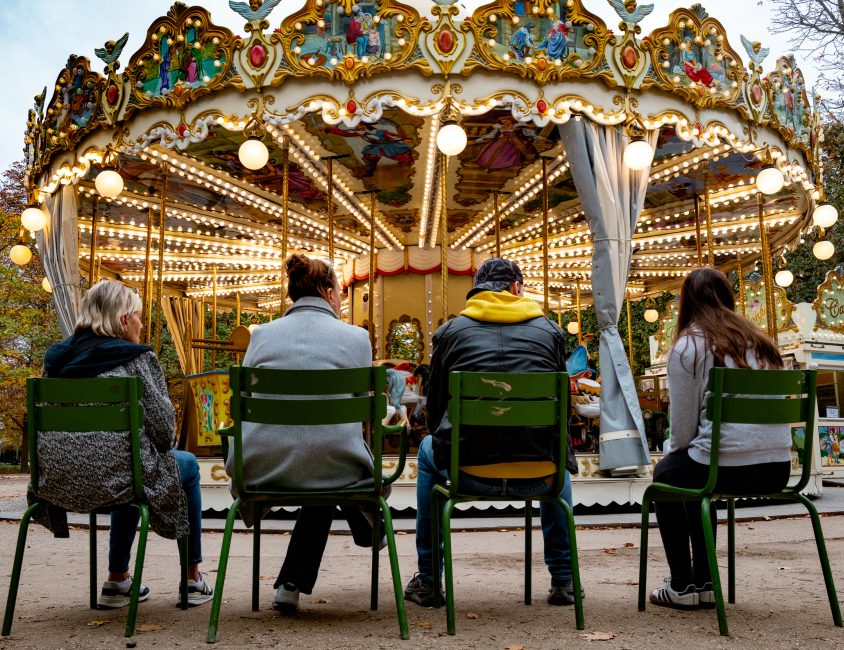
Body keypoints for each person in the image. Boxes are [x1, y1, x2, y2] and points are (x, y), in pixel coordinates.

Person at [404, 257, 581, 608]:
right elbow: (563, 409)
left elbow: (436, 410)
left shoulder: (451, 334)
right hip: (540, 475)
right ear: (517, 289)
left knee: (427, 449)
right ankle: (564, 580)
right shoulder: (549, 332)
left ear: (478, 294)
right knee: (555, 455)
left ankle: (429, 578)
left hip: (468, 472)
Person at [37, 280, 213, 609]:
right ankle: (192, 578)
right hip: (120, 480)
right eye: (138, 316)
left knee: (130, 464)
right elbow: (164, 436)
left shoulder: (54, 363)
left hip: (57, 482)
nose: (142, 324)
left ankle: (117, 581)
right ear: (122, 321)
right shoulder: (137, 359)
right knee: (182, 465)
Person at [227, 253, 378, 614]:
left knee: (317, 459)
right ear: (328, 293)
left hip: (263, 465)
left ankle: (292, 583)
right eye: (341, 292)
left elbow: (247, 397)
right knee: (325, 462)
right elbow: (361, 406)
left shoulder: (261, 336)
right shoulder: (357, 338)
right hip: (333, 467)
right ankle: (370, 526)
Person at [649, 267, 790, 610]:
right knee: (693, 478)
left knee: (668, 475)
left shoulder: (689, 346)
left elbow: (682, 431)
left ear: (686, 303)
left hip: (726, 465)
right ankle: (707, 581)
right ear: (728, 298)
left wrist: (669, 453)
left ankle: (682, 584)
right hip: (778, 466)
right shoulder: (763, 343)